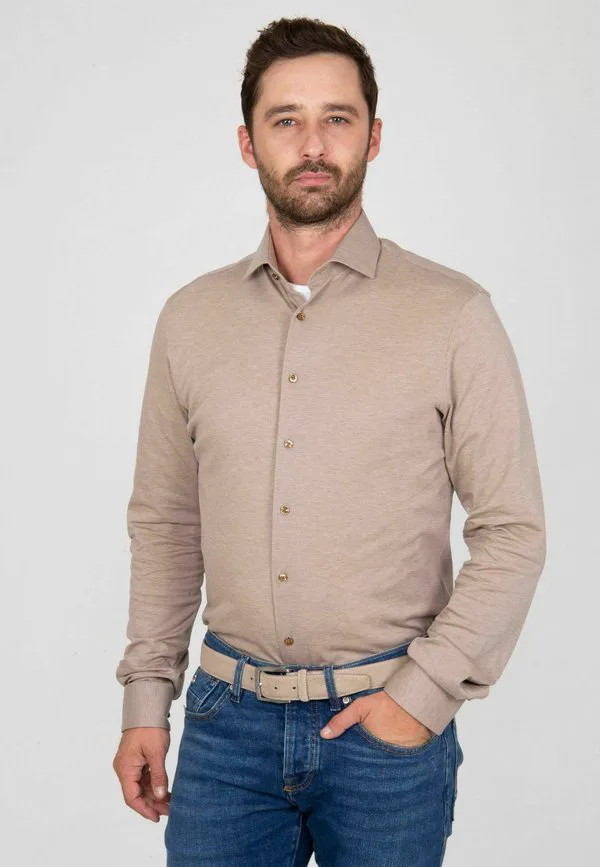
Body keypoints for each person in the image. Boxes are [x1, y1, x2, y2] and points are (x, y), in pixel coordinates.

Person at [112, 15, 546, 866]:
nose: (313, 144)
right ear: (248, 144)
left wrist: (420, 696)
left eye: (337, 118)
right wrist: (145, 699)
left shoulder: (453, 315)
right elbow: (166, 523)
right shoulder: (190, 320)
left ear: (373, 136)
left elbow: (514, 531)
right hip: (224, 731)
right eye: (287, 120)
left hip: (388, 730)